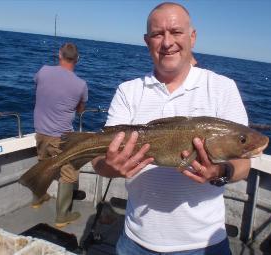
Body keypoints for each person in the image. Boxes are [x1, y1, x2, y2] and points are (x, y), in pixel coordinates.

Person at [92, 2, 250, 254]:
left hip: (204, 244)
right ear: (147, 41)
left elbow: (243, 164)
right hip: (135, 241)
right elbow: (99, 162)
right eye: (157, 34)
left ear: (193, 37)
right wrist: (110, 168)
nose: (167, 42)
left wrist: (219, 171)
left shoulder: (223, 88)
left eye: (176, 32)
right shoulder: (128, 91)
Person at [33, 42, 88, 228]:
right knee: (68, 173)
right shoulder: (81, 85)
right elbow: (80, 110)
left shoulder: (43, 71)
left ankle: (38, 198)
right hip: (61, 138)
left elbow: (38, 87)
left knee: (43, 164)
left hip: (40, 132)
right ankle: (62, 216)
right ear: (78, 59)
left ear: (59, 54)